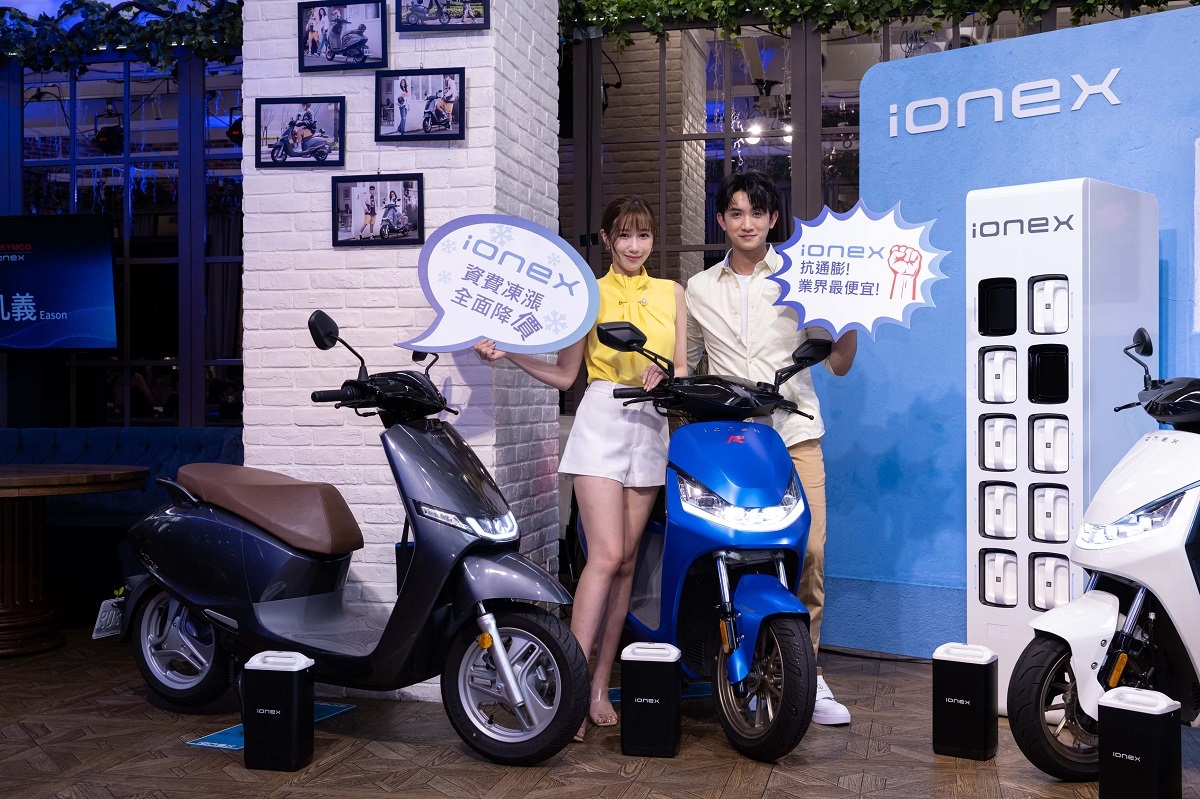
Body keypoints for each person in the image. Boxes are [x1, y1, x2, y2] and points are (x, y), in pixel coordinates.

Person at [474, 196, 686, 742]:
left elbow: (683, 367)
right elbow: (567, 375)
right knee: (606, 555)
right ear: (607, 238)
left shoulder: (672, 293)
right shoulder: (586, 293)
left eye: (644, 235)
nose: (635, 246)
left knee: (627, 563)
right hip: (601, 418)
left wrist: (667, 375)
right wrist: (510, 352)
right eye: (625, 235)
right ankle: (565, 688)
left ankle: (596, 688)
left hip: (651, 425)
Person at [686, 168, 858, 726]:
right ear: (721, 220)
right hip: (732, 440)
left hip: (795, 432)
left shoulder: (799, 275)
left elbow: (838, 364)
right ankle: (744, 663)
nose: (747, 223)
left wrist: (850, 319)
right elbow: (687, 362)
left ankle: (807, 671)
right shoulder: (699, 288)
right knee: (732, 552)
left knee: (810, 552)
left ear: (773, 219)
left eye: (757, 213)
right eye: (736, 213)